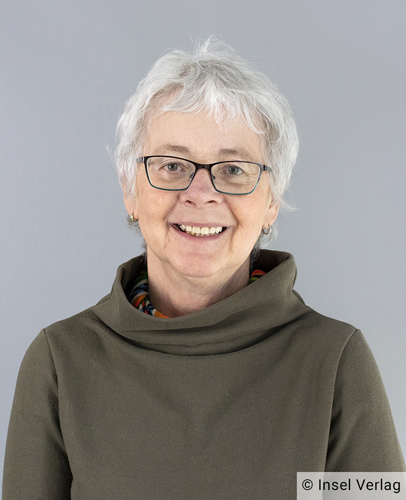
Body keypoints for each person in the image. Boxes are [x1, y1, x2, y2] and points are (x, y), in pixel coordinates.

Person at [3, 39, 405, 499]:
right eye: (173, 165)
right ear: (130, 190)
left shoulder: (333, 362)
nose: (201, 193)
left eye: (233, 169)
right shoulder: (61, 361)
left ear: (272, 201)